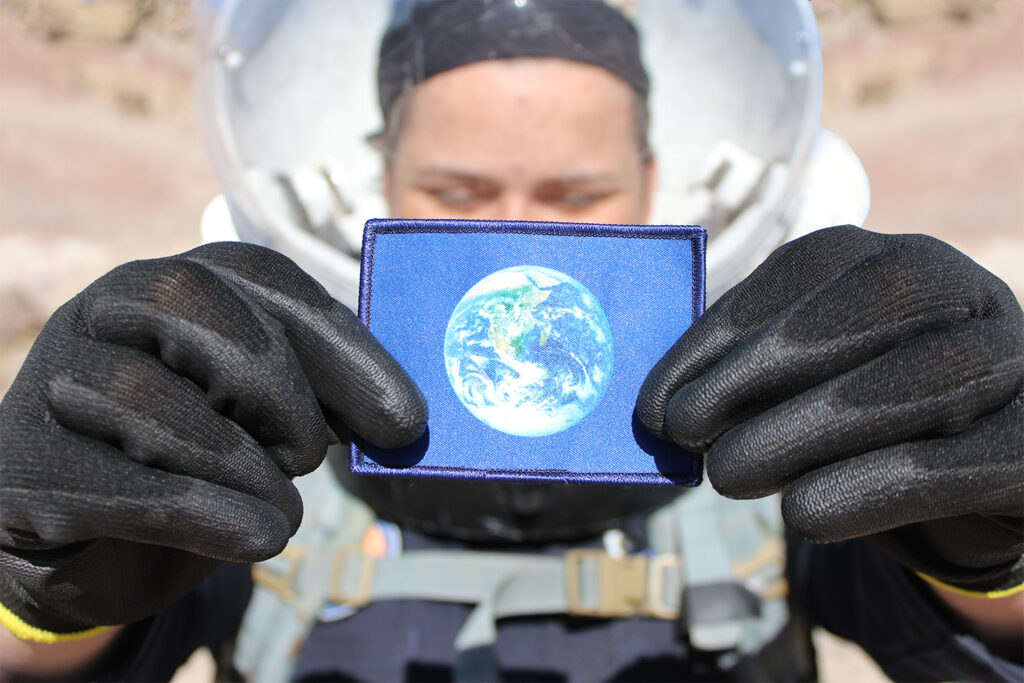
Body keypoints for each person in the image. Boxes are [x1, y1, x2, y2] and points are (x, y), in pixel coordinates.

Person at [1, 1, 1021, 680]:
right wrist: (44, 584)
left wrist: (988, 542)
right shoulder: (267, 436)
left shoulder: (762, 431)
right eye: (457, 193)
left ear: (652, 186)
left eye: (577, 194)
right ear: (381, 181)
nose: (522, 238)